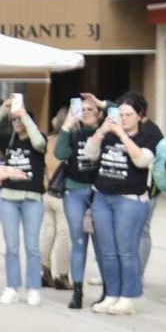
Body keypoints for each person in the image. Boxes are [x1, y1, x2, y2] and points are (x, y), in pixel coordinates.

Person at [85, 91, 162, 315]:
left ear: (140, 115)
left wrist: (122, 134)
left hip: (130, 201)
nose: (124, 118)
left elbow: (141, 160)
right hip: (102, 197)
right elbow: (90, 153)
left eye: (128, 114)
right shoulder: (108, 134)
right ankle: (112, 295)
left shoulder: (147, 135)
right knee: (107, 251)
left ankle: (128, 297)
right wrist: (101, 131)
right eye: (120, 114)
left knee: (126, 251)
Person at [0, 95, 47, 306]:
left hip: (32, 198)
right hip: (8, 197)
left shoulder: (37, 138)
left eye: (19, 120)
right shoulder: (8, 139)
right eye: (14, 120)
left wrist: (24, 115)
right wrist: (3, 109)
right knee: (11, 246)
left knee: (32, 247)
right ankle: (12, 286)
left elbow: (39, 142)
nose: (16, 123)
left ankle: (34, 287)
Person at [56, 96, 102, 309]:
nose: (85, 112)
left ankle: (108, 291)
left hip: (99, 193)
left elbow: (113, 108)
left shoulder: (106, 132)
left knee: (102, 243)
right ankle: (77, 291)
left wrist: (101, 103)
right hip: (74, 191)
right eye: (82, 109)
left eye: (90, 108)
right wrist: (66, 125)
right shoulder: (73, 133)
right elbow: (60, 153)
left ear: (99, 112)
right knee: (79, 242)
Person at [39, 109, 72, 291]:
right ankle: (61, 275)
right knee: (63, 235)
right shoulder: (67, 143)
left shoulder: (48, 141)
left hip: (46, 192)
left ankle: (44, 271)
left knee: (47, 233)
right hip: (63, 194)